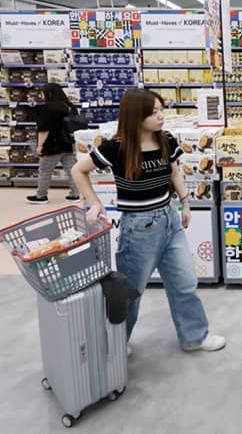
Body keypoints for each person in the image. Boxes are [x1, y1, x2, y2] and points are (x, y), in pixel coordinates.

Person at [71, 89, 225, 354]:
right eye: (154, 112)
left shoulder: (165, 139)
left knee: (185, 283)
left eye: (161, 110)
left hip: (169, 220)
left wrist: (185, 202)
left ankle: (195, 337)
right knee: (131, 292)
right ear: (136, 116)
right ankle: (116, 344)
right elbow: (78, 170)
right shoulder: (116, 147)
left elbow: (174, 172)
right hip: (138, 228)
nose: (161, 116)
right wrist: (95, 203)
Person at [25, 83, 81, 204]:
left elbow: (44, 129)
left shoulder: (47, 108)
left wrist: (40, 146)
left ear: (49, 93)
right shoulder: (69, 106)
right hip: (68, 144)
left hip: (52, 145)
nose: (41, 95)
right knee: (71, 170)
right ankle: (76, 194)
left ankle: (41, 196)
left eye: (42, 93)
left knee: (45, 171)